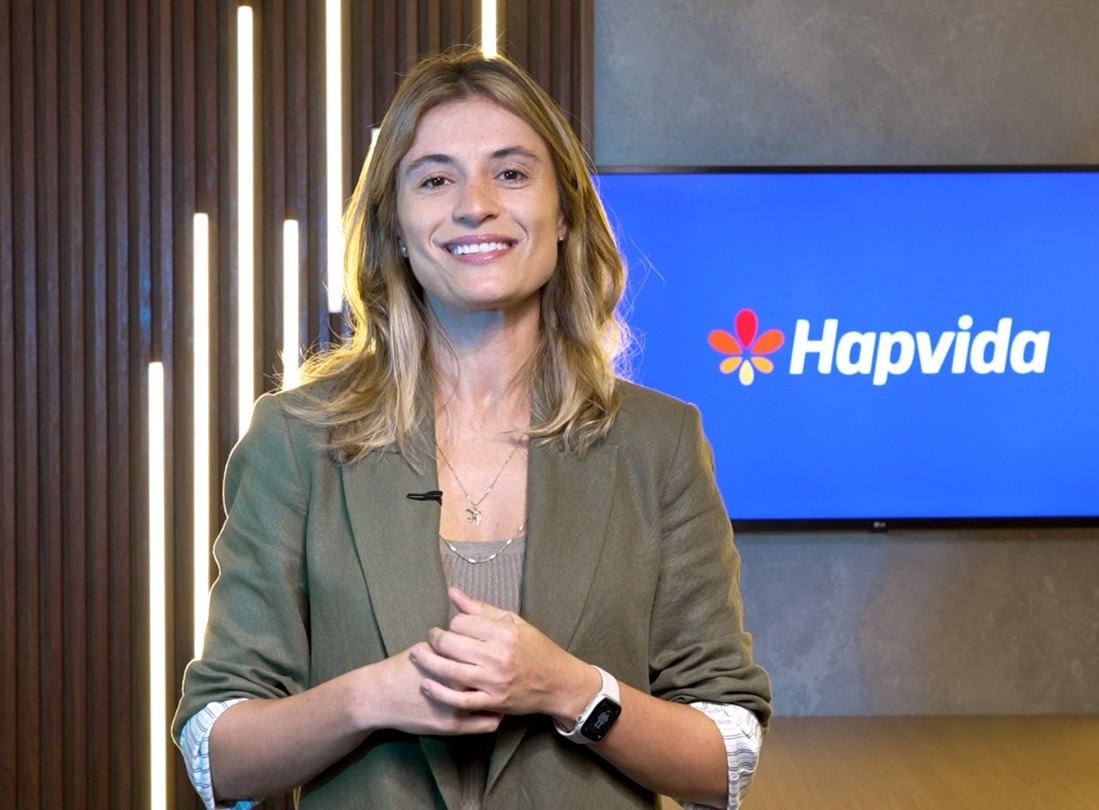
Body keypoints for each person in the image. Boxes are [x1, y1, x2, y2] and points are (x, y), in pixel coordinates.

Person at [171, 48, 771, 809]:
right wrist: (371, 697)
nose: (475, 204)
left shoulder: (660, 442)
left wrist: (572, 690)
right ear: (395, 227)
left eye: (511, 173)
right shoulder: (295, 440)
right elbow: (218, 759)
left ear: (564, 215)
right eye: (434, 179)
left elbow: (724, 765)